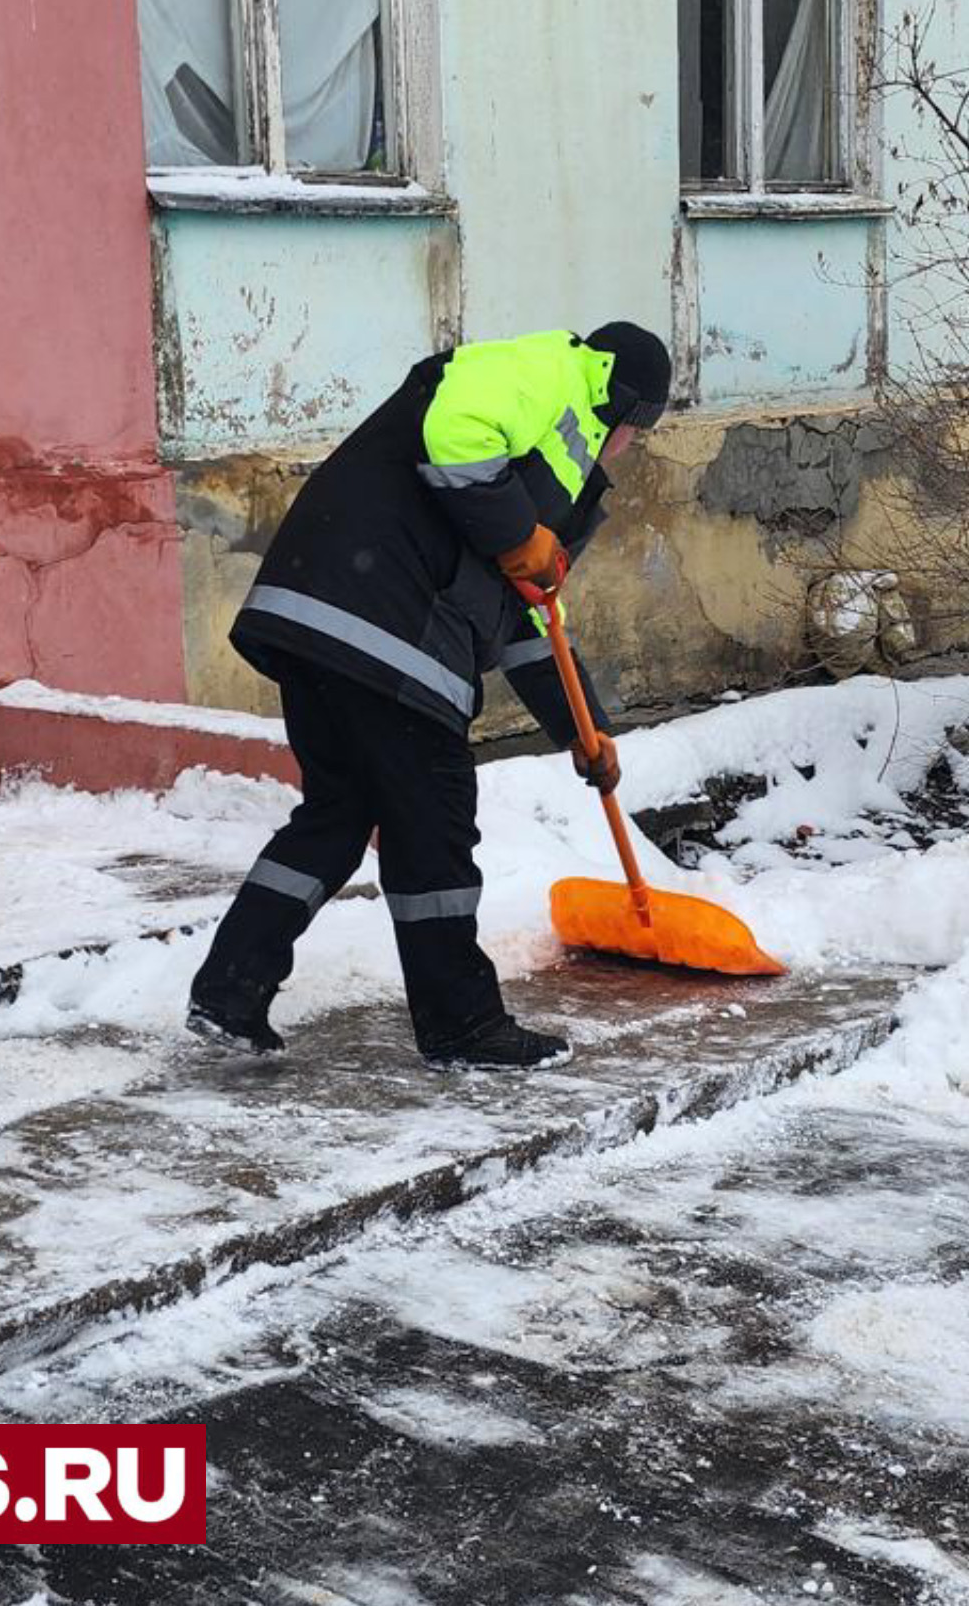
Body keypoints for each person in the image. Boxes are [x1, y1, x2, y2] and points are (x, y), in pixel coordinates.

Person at [189, 322, 678, 1072]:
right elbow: (456, 432)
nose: (630, 449)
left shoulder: (557, 463)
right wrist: (520, 533)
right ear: (628, 412)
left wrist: (585, 732)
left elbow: (523, 618)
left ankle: (228, 992)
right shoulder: (555, 375)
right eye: (637, 434)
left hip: (320, 622)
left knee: (335, 818)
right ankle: (461, 1025)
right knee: (435, 829)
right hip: (387, 630)